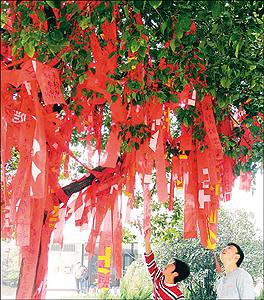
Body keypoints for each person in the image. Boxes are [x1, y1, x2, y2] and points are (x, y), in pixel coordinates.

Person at [144, 228, 190, 299]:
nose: (168, 265)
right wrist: (147, 241)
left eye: (172, 265)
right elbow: (150, 260)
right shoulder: (158, 277)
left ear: (175, 274)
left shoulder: (178, 296)